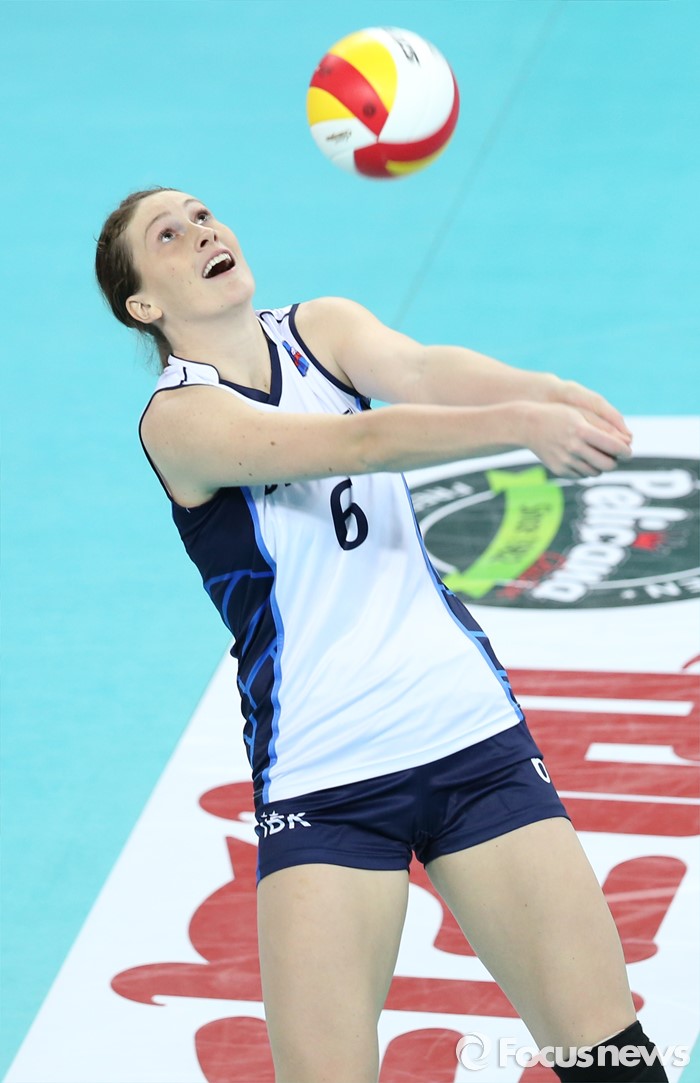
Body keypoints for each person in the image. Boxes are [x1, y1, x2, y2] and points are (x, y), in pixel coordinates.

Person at [95, 186, 669, 1083]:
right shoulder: (180, 420)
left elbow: (423, 369)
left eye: (203, 215)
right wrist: (518, 425)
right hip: (325, 780)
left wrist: (543, 389)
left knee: (611, 1058)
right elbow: (357, 446)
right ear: (143, 305)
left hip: (468, 737)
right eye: (168, 234)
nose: (202, 231)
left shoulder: (320, 327)